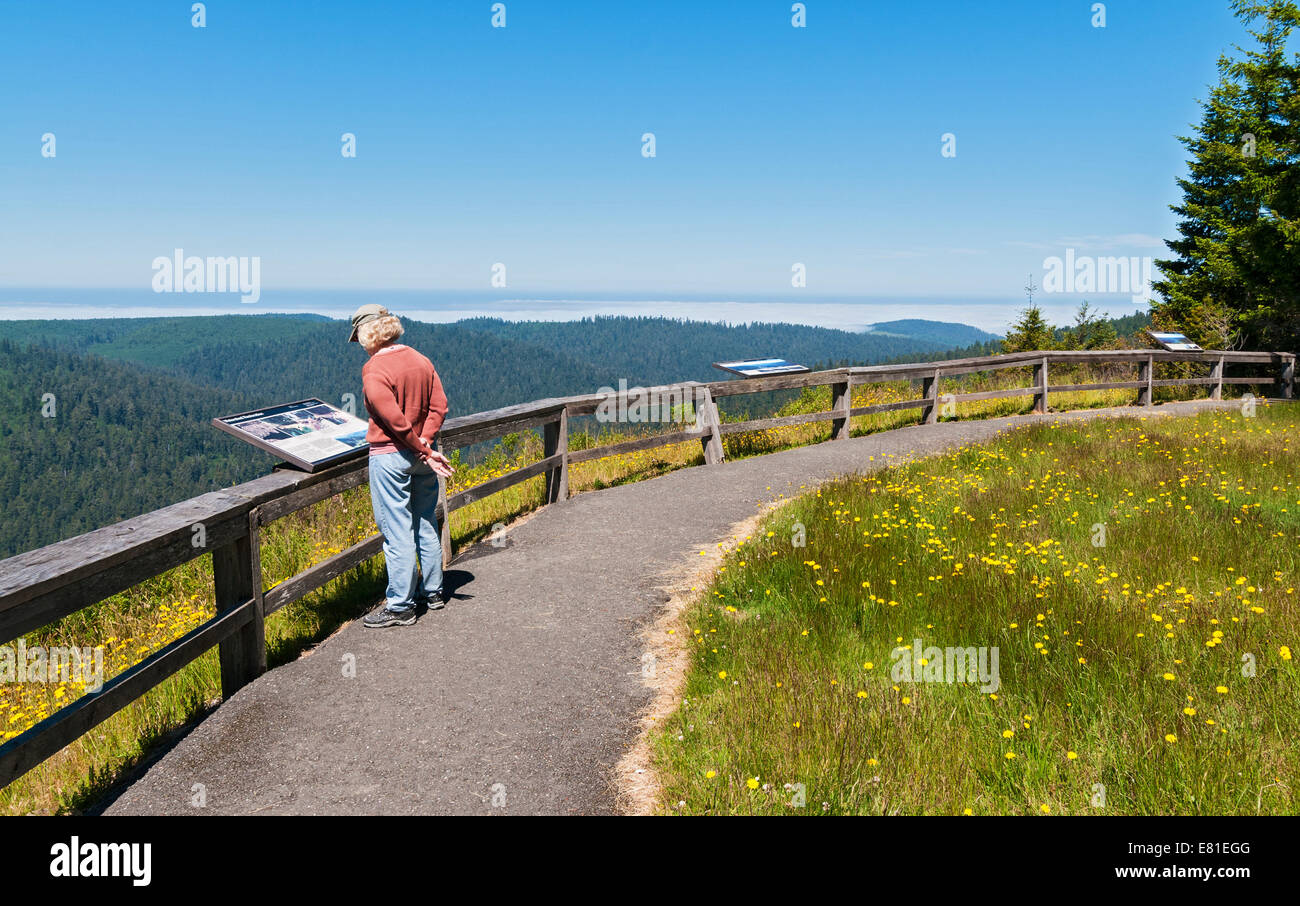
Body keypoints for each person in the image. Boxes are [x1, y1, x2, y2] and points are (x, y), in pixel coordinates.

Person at [349, 304, 456, 628]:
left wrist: (417, 446)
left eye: (359, 339)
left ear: (369, 334)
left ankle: (400, 606)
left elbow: (392, 419)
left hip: (390, 456)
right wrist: (426, 445)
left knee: (396, 531)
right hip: (424, 456)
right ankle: (434, 591)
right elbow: (440, 406)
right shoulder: (420, 359)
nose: (361, 347)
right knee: (424, 520)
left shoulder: (374, 368)